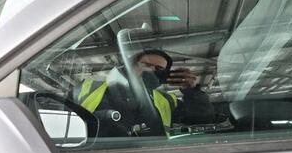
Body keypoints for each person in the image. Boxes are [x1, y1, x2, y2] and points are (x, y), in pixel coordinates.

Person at [74, 50, 214, 136]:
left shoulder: (166, 101)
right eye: (146, 65)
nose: (151, 70)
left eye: (159, 69)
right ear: (131, 65)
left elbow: (203, 118)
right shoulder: (88, 87)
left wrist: (192, 90)